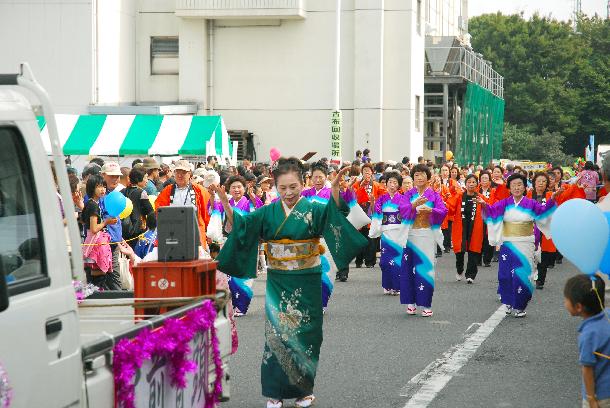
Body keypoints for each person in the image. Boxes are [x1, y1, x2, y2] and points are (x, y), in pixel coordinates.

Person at [214, 158, 366, 408]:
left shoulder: (314, 209)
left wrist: (336, 188)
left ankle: (303, 391)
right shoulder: (268, 212)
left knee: (307, 335)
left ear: (302, 183)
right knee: (277, 333)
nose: (288, 193)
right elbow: (243, 227)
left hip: (307, 279)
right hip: (278, 280)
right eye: (283, 188)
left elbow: (334, 216)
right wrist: (224, 204)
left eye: (293, 187)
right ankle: (275, 391)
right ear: (275, 187)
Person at [479, 173, 559, 317]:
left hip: (525, 242)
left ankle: (520, 306)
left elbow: (543, 214)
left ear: (524, 187)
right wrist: (484, 205)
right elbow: (491, 212)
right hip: (508, 242)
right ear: (509, 187)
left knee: (522, 274)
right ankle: (508, 302)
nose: (516, 187)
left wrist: (552, 200)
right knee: (505, 275)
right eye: (513, 185)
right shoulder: (504, 203)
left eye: (520, 184)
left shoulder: (531, 203)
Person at [208, 175, 263, 316]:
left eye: (239, 187)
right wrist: (213, 197)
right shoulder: (226, 202)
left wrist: (254, 200)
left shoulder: (248, 201)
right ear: (229, 189)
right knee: (228, 273)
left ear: (244, 189)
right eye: (233, 187)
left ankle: (242, 306)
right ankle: (232, 303)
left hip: (246, 241)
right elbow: (214, 210)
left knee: (243, 273)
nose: (237, 189)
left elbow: (257, 215)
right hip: (229, 241)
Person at [399, 164, 447, 317]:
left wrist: (431, 210)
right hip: (411, 234)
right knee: (408, 268)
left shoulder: (433, 195)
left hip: (426, 234)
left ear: (428, 177)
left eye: (422, 174)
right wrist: (413, 205)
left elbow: (443, 210)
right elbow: (401, 209)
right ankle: (410, 303)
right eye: (416, 175)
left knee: (426, 268)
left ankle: (426, 303)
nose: (419, 177)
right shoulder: (408, 194)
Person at [564, 274, 610, 408]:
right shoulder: (607, 314)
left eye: (566, 299)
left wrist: (591, 399)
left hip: (600, 396)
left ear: (578, 307)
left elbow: (587, 369)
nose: (564, 303)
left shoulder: (588, 334)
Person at [155, 159, 211, 247]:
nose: (180, 175)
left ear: (189, 174)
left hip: (195, 231)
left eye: (183, 172)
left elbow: (207, 213)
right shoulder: (167, 191)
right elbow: (159, 211)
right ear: (174, 174)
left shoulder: (200, 190)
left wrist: (208, 232)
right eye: (177, 172)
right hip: (173, 232)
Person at [81, 174, 120, 290]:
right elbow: (94, 228)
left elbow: (83, 221)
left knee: (94, 275)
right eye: (99, 186)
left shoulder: (90, 203)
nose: (102, 189)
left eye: (103, 186)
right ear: (92, 188)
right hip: (96, 243)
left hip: (92, 241)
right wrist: (106, 222)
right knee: (98, 276)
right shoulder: (94, 206)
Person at [369, 171, 405, 295]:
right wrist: (377, 226)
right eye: (390, 182)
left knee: (397, 261)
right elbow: (377, 214)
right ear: (386, 184)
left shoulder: (402, 198)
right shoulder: (381, 199)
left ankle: (397, 286)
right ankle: (387, 285)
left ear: (399, 185)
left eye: (395, 182)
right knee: (385, 261)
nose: (392, 184)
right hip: (386, 233)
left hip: (399, 233)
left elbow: (406, 215)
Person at [446, 174, 485, 284]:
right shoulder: (459, 196)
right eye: (469, 182)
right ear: (465, 184)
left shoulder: (480, 197)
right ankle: (459, 270)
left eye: (473, 182)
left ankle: (470, 275)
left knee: (473, 251)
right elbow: (450, 208)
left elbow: (490, 208)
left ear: (477, 184)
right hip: (460, 227)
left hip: (475, 227)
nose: (471, 184)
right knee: (459, 252)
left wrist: (484, 204)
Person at [527, 172, 557, 289]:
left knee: (543, 255)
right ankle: (530, 277)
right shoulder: (529, 195)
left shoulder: (550, 195)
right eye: (539, 181)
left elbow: (553, 212)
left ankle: (540, 280)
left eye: (544, 181)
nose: (541, 183)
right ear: (534, 182)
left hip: (545, 229)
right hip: (530, 228)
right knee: (530, 254)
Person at [352, 163, 385, 268]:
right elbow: (352, 196)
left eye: (368, 170)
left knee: (370, 238)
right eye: (364, 170)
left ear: (372, 172)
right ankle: (359, 260)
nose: (366, 171)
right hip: (359, 212)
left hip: (371, 212)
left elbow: (383, 195)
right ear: (362, 172)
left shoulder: (376, 184)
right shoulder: (356, 184)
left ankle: (370, 261)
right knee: (359, 238)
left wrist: (376, 202)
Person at [99, 162, 125, 287]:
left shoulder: (115, 194)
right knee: (109, 277)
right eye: (111, 176)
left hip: (114, 242)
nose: (115, 179)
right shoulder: (98, 194)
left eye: (117, 176)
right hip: (102, 243)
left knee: (111, 276)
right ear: (103, 175)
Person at [122, 167, 155, 247]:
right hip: (138, 230)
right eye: (145, 177)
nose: (147, 180)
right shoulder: (142, 193)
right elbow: (150, 211)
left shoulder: (122, 191)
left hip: (124, 230)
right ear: (138, 179)